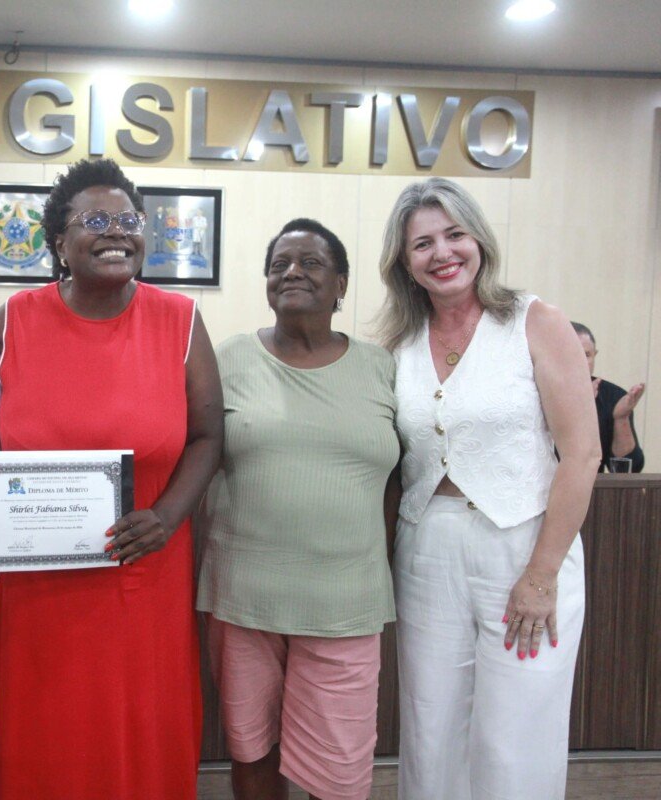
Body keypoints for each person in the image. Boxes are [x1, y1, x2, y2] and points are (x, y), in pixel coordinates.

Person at [0, 158, 223, 800]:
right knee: (46, 740)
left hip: (142, 573)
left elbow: (208, 436)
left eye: (129, 220)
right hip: (39, 587)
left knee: (140, 735)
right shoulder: (12, 322)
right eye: (94, 220)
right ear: (58, 242)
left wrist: (168, 516)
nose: (116, 231)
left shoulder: (180, 320)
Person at [376, 177, 600, 799]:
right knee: (431, 727)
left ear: (479, 240)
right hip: (426, 549)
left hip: (525, 546)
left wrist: (541, 576)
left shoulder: (535, 321)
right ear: (404, 261)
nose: (442, 253)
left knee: (515, 734)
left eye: (455, 234)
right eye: (422, 243)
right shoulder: (397, 344)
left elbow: (583, 454)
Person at [198, 218, 400, 800]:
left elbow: (401, 475)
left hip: (347, 601)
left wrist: (378, 555)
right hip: (244, 598)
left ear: (341, 285)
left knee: (339, 772)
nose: (292, 272)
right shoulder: (226, 359)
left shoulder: (382, 366)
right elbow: (192, 452)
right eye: (279, 264)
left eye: (311, 263)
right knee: (251, 748)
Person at [571, 322, 645, 471]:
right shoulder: (532, 393)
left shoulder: (614, 397)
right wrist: (579, 407)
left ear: (595, 355)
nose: (581, 362)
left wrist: (621, 419)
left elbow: (628, 469)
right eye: (573, 354)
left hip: (591, 484)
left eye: (586, 355)